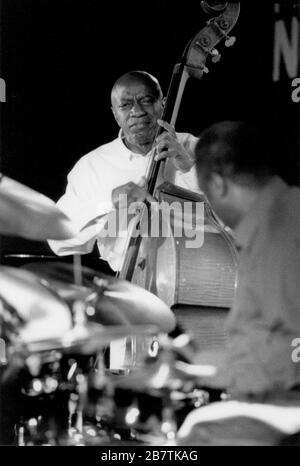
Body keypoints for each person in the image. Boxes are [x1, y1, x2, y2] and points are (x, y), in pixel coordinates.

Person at [48, 71, 200, 271]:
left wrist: (190, 168)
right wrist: (108, 203)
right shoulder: (92, 166)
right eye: (125, 105)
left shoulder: (196, 148)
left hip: (198, 276)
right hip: (129, 286)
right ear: (115, 114)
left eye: (146, 100)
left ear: (162, 104)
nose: (137, 111)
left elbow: (239, 217)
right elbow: (58, 239)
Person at [192, 120, 300, 400]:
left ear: (218, 184)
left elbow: (294, 355)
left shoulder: (281, 236)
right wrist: (195, 364)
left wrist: (209, 370)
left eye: (207, 195)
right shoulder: (280, 214)